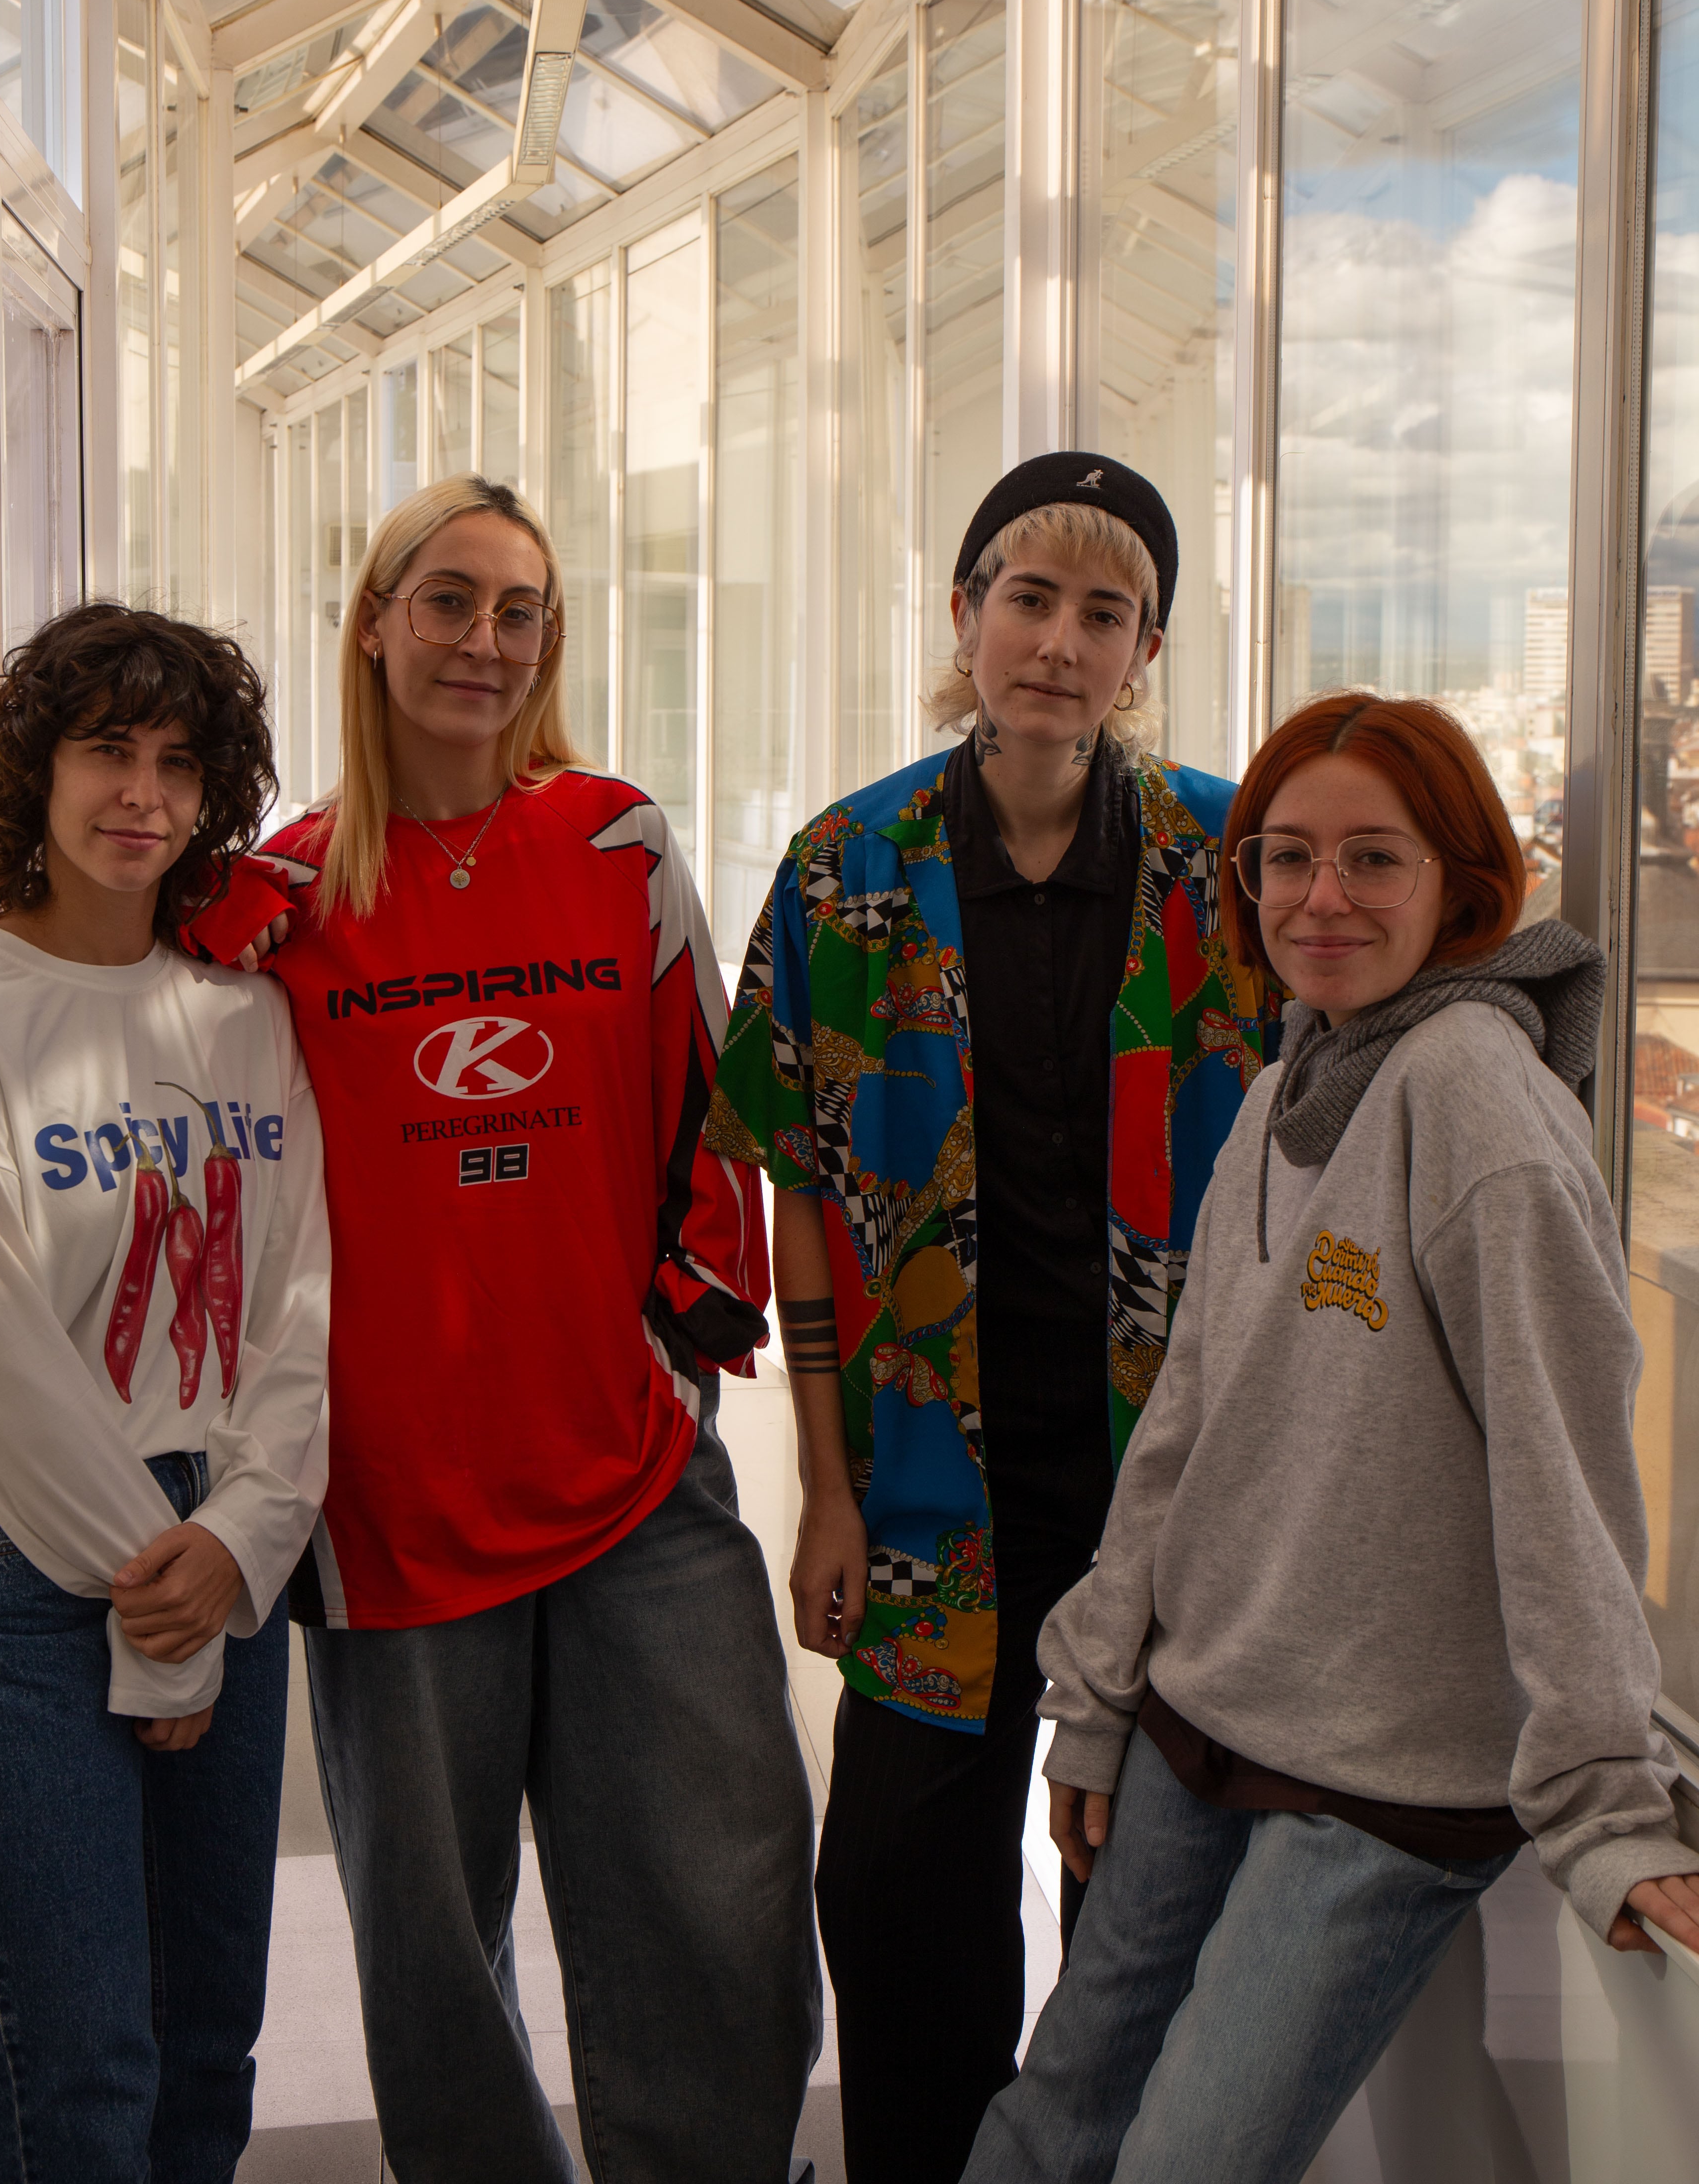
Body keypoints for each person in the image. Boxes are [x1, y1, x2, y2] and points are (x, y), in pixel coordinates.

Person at [962, 689, 1699, 2184]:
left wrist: (1605, 1803)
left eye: (1374, 858)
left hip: (1385, 1782)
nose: (1321, 898)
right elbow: (1190, 1420)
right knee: (1052, 2122)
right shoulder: (1299, 1076)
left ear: (1460, 879)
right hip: (1200, 1717)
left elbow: (1566, 1479)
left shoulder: (1476, 1104)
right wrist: (1098, 1692)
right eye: (1285, 859)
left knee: (1184, 2160)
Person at [191, 471, 821, 2184]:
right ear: (378, 621)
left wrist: (679, 1346)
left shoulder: (611, 839)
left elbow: (712, 1107)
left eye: (520, 610)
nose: (485, 640)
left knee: (729, 1890)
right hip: (390, 1507)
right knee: (432, 1954)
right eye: (450, 600)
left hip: (627, 1475)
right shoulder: (274, 903)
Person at [704, 452, 1277, 2184]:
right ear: (965, 619)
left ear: (1145, 649)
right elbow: (797, 1180)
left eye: (1104, 612)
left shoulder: (1229, 855)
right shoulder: (845, 870)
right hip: (931, 1489)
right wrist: (827, 1482)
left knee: (1140, 1904)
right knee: (894, 1901)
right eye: (1027, 597)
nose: (1058, 640)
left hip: (1173, 1499)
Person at [0, 602, 330, 2184]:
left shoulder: (248, 1019)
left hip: (227, 1547)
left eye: (178, 763)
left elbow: (299, 1305)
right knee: (81, 2077)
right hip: (24, 1566)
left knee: (210, 2054)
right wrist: (178, 1612)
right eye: (105, 751)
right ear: (33, 774)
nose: (141, 792)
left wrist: (249, 1538)